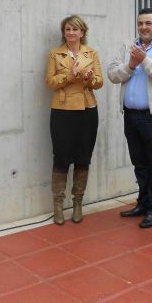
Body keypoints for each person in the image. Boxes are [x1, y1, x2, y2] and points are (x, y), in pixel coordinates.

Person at [107, 8, 152, 228]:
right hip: (130, 115)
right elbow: (112, 74)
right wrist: (130, 64)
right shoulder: (128, 46)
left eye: (148, 23)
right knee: (139, 163)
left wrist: (145, 61)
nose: (144, 27)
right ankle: (143, 203)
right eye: (140, 23)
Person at [46, 15, 103, 225]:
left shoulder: (92, 53)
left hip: (87, 110)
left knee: (83, 157)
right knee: (61, 157)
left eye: (75, 29)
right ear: (64, 32)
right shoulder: (55, 53)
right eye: (67, 29)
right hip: (62, 111)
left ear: (82, 32)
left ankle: (78, 202)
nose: (71, 33)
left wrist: (89, 79)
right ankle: (58, 204)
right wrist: (70, 75)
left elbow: (99, 82)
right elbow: (50, 81)